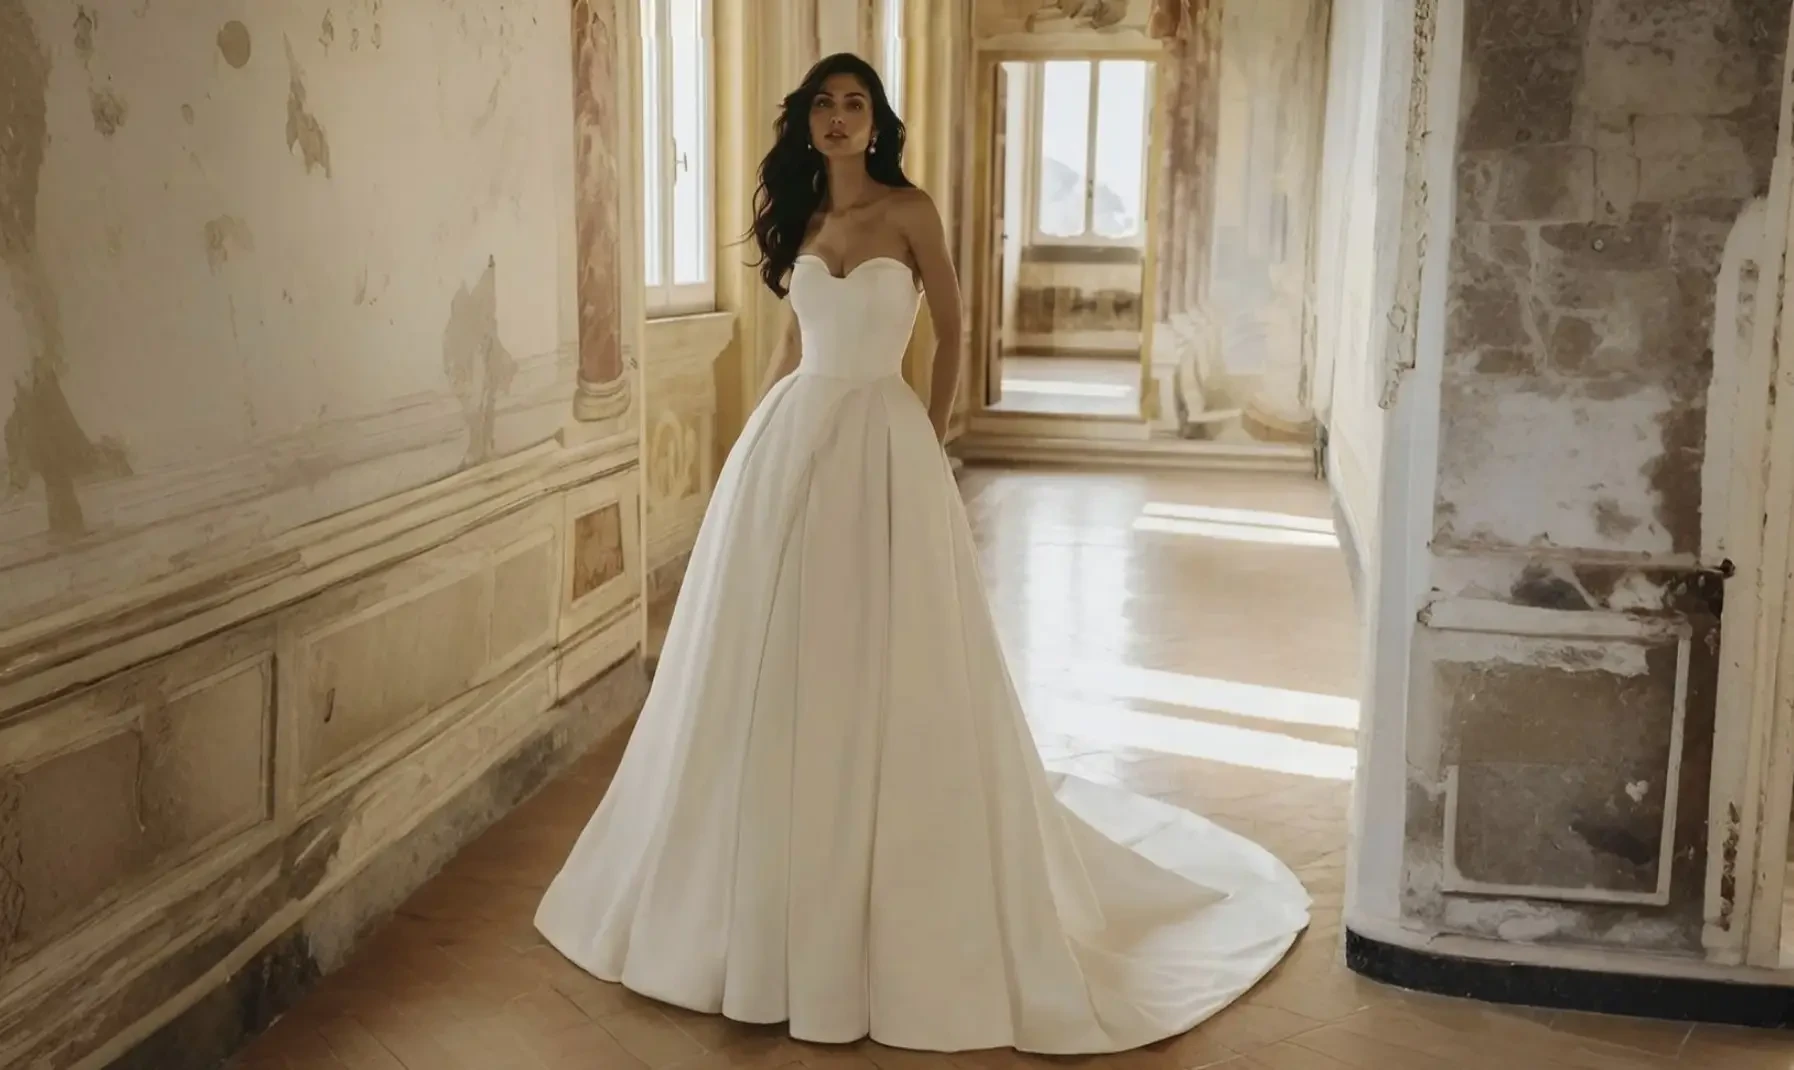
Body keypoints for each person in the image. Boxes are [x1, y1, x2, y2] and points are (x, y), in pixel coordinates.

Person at [535, 52, 1309, 1054]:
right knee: (776, 654)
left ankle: (881, 867)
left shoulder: (911, 210)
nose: (839, 117)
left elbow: (951, 328)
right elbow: (789, 349)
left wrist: (930, 436)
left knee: (881, 643)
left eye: (855, 103)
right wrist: (746, 452)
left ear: (877, 121)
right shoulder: (804, 215)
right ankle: (757, 893)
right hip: (792, 442)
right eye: (825, 103)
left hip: (883, 441)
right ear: (807, 121)